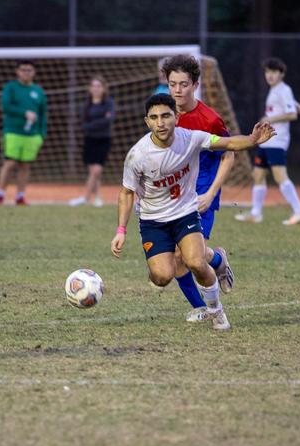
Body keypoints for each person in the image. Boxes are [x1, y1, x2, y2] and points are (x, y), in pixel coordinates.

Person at [110, 93, 275, 331]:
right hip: (153, 221)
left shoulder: (191, 138)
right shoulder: (138, 155)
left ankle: (216, 311)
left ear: (176, 117)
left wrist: (252, 140)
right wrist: (121, 230)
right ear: (147, 122)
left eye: (166, 116)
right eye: (154, 118)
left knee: (195, 262)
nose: (160, 123)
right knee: (161, 277)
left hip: (185, 213)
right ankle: (215, 259)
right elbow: (126, 193)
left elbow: (227, 144)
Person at [161, 53, 235, 324]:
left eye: (183, 84)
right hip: (174, 194)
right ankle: (204, 302)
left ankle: (214, 274)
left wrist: (211, 193)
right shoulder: (164, 115)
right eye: (172, 84)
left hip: (202, 192)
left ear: (195, 85)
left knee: (187, 254)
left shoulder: (209, 119)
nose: (177, 90)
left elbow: (229, 154)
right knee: (176, 258)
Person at [235, 58, 300, 226]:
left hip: (276, 140)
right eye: (267, 72)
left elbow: (292, 114)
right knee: (258, 174)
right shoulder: (275, 90)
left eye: (274, 72)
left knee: (280, 176)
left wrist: (270, 119)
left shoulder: (284, 90)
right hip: (266, 141)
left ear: (281, 74)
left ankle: (299, 211)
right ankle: (256, 214)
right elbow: (296, 106)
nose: (270, 75)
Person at [0, 60, 47, 206]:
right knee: (10, 163)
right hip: (13, 132)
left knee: (25, 165)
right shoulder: (10, 88)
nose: (26, 73)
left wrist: (42, 134)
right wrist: (24, 113)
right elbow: (6, 106)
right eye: (23, 70)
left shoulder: (38, 91)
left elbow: (43, 114)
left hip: (32, 135)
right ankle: (0, 195)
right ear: (17, 72)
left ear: (34, 72)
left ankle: (20, 196)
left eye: (29, 70)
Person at [69, 76, 114, 207]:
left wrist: (92, 124)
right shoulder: (86, 105)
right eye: (93, 86)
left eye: (98, 86)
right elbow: (83, 124)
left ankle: (85, 197)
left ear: (104, 88)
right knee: (93, 172)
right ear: (89, 88)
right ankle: (98, 197)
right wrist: (100, 121)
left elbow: (109, 120)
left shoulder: (109, 103)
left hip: (104, 139)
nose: (96, 88)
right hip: (89, 139)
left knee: (96, 171)